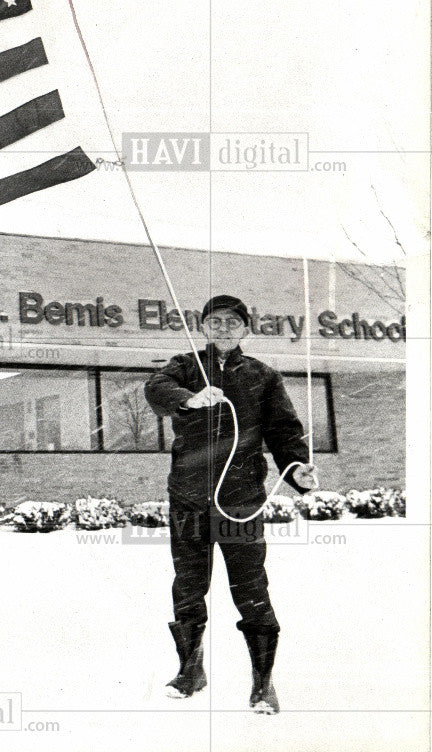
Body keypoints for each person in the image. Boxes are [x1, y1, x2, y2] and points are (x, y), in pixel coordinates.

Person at [144, 294, 318, 714]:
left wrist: (296, 470)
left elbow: (283, 432)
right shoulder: (185, 366)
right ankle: (190, 670)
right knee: (188, 586)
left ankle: (263, 684)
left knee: (251, 588)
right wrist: (190, 397)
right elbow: (156, 389)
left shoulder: (264, 376)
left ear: (246, 329)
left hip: (239, 501)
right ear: (202, 326)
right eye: (215, 321)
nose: (223, 328)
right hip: (188, 498)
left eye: (232, 322)